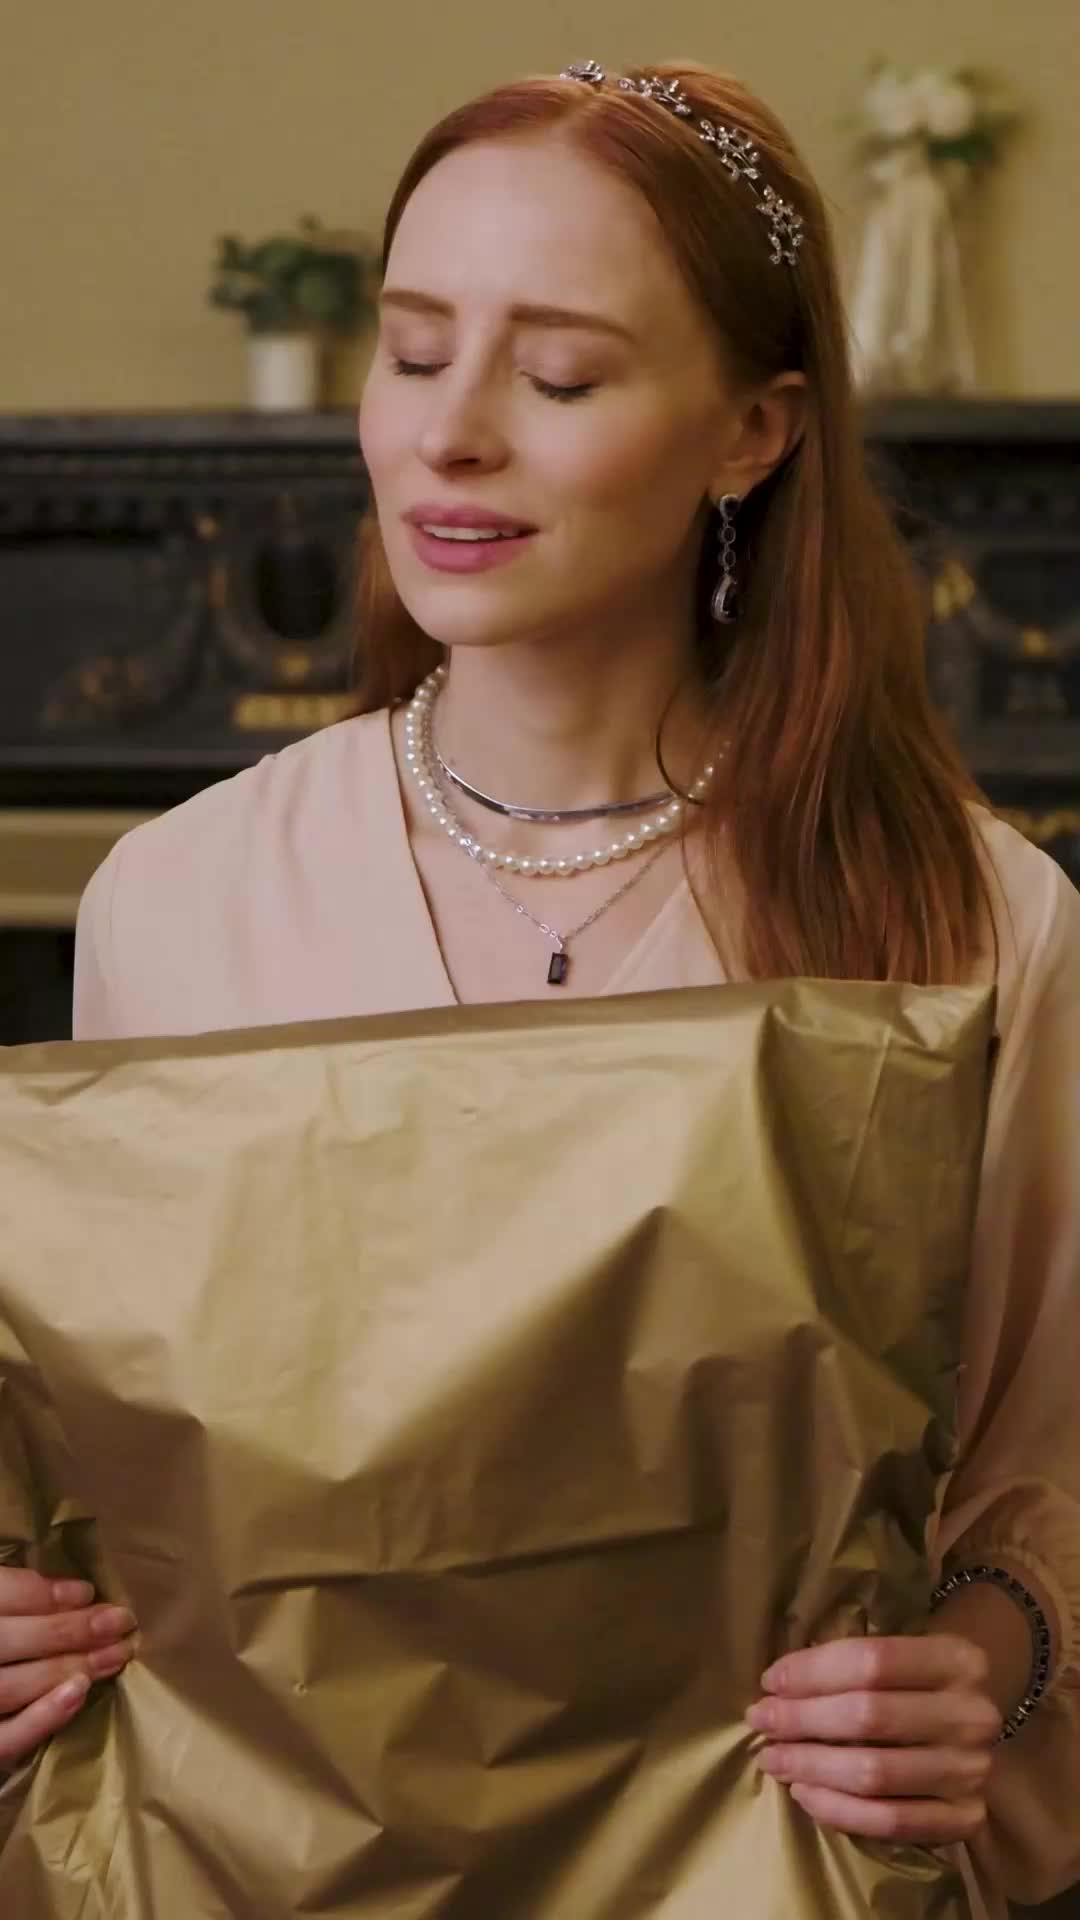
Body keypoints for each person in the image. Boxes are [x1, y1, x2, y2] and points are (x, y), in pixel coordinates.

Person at [4, 56, 1078, 1917]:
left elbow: (1046, 1471)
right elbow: (126, 1497)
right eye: (414, 351)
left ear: (753, 433)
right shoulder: (175, 901)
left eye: (560, 377)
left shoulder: (977, 918)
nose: (450, 435)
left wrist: (986, 1665)